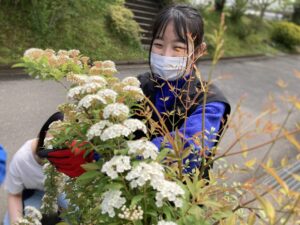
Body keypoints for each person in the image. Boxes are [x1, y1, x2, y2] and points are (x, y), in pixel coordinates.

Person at [42, 4, 230, 177]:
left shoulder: (209, 101)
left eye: (178, 48)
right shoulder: (140, 85)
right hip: (127, 190)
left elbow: (186, 150)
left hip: (179, 206)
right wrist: (66, 132)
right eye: (158, 44)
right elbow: (103, 115)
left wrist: (100, 159)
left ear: (198, 51)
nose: (166, 55)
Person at [3, 112, 68, 225]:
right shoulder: (22, 159)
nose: (53, 150)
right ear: (41, 135)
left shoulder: (73, 158)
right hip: (35, 192)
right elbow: (14, 194)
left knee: (79, 212)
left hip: (64, 189)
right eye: (50, 142)